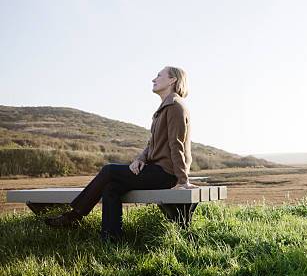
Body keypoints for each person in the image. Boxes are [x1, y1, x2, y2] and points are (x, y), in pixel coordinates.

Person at [45, 66, 198, 241]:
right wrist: (140, 158)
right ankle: (111, 237)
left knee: (109, 170)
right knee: (111, 188)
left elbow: (176, 144)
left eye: (159, 75)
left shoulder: (175, 106)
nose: (153, 79)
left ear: (172, 80)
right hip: (155, 169)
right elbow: (152, 144)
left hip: (166, 173)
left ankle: (75, 216)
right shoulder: (164, 107)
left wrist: (183, 180)